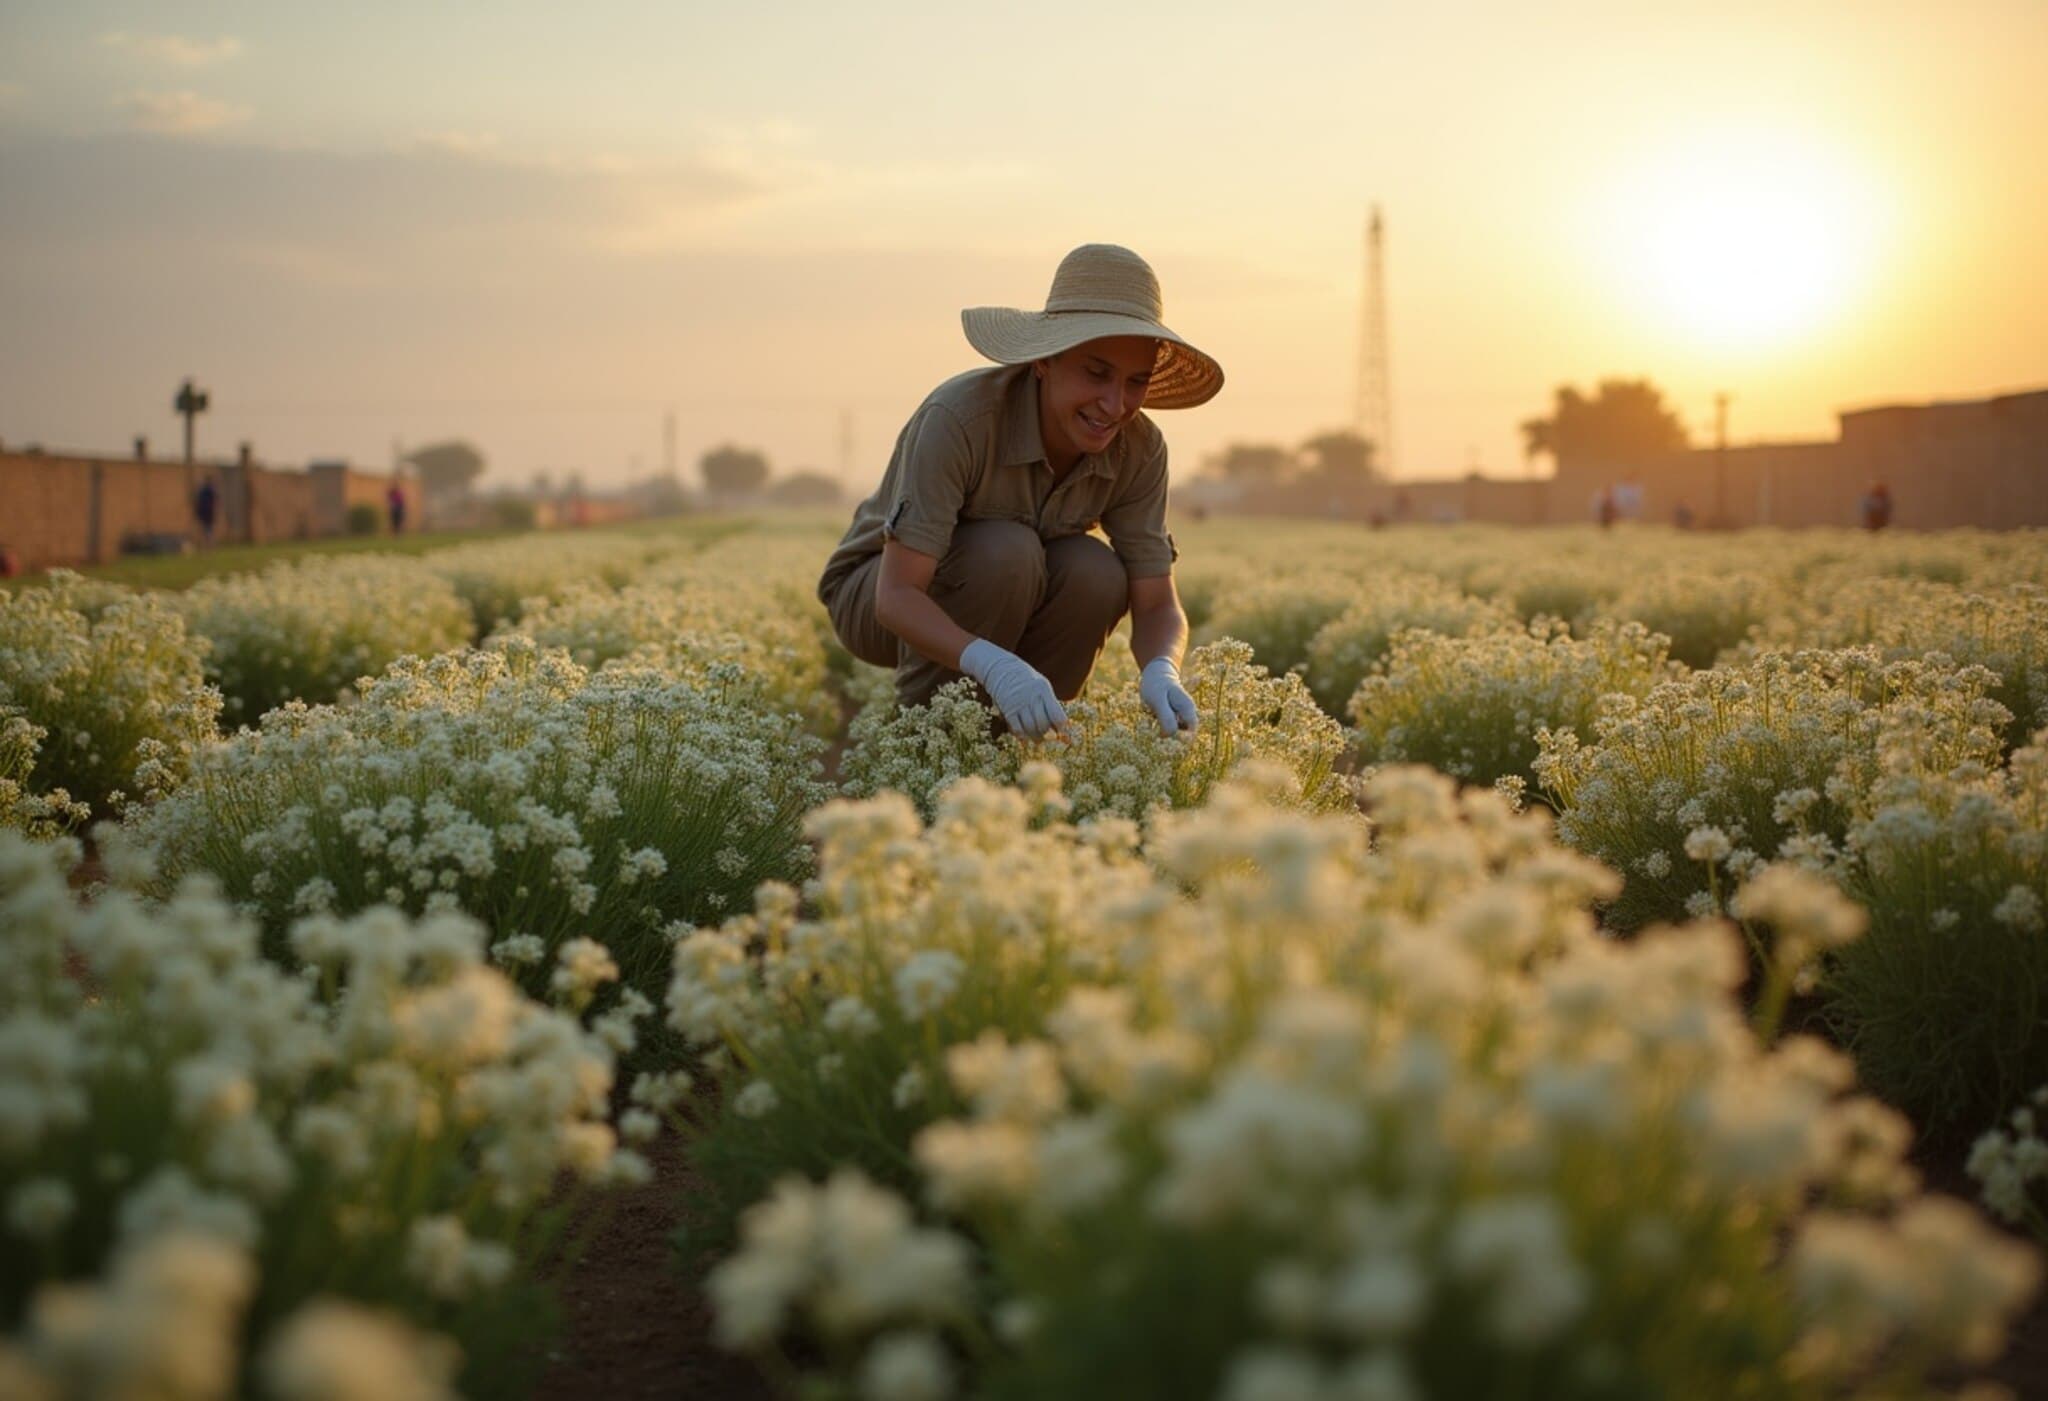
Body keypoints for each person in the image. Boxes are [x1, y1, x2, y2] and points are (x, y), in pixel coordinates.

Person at [817, 243, 1222, 741]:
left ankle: (1027, 744)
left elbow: (1158, 603)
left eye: (1135, 382)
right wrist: (995, 666)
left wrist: (1162, 669)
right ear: (1044, 361)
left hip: (1012, 587)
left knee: (1093, 570)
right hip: (878, 593)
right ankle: (933, 745)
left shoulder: (1139, 449)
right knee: (1005, 551)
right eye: (1096, 373)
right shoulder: (961, 419)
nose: (1115, 405)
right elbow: (897, 595)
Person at [192, 476, 219, 546]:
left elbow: (198, 501)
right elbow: (215, 500)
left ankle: (205, 543)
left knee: (205, 527)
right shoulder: (210, 489)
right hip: (207, 512)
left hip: (203, 512)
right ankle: (208, 543)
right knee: (208, 528)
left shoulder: (202, 490)